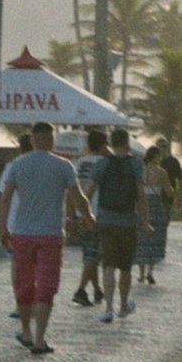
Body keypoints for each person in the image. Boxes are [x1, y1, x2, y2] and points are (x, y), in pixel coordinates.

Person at [0, 121, 92, 355]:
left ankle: (26, 331)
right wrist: (88, 216)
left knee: (24, 283)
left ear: (32, 140)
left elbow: (5, 198)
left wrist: (2, 228)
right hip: (51, 234)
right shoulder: (63, 166)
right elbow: (78, 197)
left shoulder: (18, 164)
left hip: (22, 233)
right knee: (47, 285)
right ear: (51, 140)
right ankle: (40, 339)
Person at [90, 128, 149, 321]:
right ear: (127, 142)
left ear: (111, 144)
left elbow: (88, 191)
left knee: (108, 264)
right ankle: (123, 305)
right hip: (128, 222)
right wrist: (146, 222)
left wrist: (84, 215)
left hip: (106, 220)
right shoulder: (136, 164)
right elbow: (140, 196)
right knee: (125, 267)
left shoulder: (102, 163)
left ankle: (108, 308)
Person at [70, 129, 109, 308]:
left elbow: (70, 191)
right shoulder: (105, 163)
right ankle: (80, 290)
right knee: (93, 254)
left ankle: (97, 289)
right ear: (102, 145)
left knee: (89, 254)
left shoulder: (79, 163)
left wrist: (71, 214)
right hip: (98, 212)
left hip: (80, 211)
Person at [138, 145, 171, 286]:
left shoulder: (141, 171)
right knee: (154, 238)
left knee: (141, 238)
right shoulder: (161, 172)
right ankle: (150, 271)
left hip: (141, 205)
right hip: (156, 206)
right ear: (156, 156)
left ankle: (141, 273)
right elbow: (169, 191)